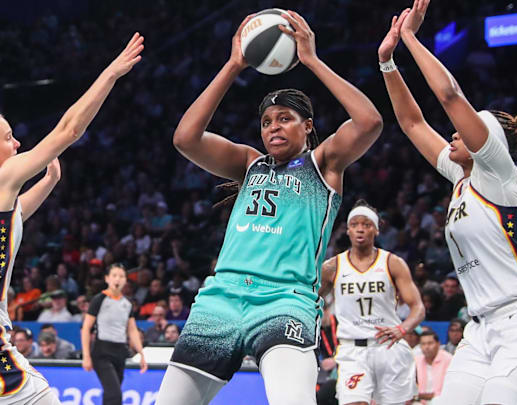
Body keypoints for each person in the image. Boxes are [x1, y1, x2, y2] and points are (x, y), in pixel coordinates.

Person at [157, 9, 383, 405]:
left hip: (286, 300)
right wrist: (232, 66)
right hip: (221, 298)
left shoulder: (324, 165)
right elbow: (185, 138)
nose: (273, 127)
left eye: (285, 118)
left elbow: (369, 122)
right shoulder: (249, 163)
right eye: (266, 122)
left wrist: (311, 60)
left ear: (308, 126)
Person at [0, 33, 144, 405]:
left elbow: (11, 217)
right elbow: (69, 130)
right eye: (9, 138)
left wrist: (50, 181)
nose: (18, 144)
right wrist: (111, 74)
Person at [380, 1, 517, 403]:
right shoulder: (459, 178)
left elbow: (449, 95)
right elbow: (413, 123)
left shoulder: (499, 175)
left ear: (490, 141)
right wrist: (387, 63)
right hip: (479, 330)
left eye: (463, 131)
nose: (452, 135)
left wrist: (411, 38)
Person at [319, 199, 425, 405]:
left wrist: (403, 329)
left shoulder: (393, 263)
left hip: (388, 347)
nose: (360, 229)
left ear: (376, 230)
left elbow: (418, 308)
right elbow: (310, 300)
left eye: (366, 225)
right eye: (355, 224)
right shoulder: (332, 267)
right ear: (347, 230)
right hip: (352, 350)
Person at [81, 264, 147, 405]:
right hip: (102, 352)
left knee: (110, 394)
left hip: (120, 352)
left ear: (125, 280)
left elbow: (132, 329)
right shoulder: (99, 300)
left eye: (121, 276)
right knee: (114, 394)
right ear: (107, 278)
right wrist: (86, 356)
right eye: (114, 275)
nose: (118, 279)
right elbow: (86, 328)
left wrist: (141, 353)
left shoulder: (127, 303)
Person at [413, 330, 453, 404]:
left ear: (438, 344)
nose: (426, 347)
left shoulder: (449, 360)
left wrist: (430, 396)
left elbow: (452, 389)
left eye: (430, 343)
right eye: (423, 344)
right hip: (420, 402)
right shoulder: (417, 360)